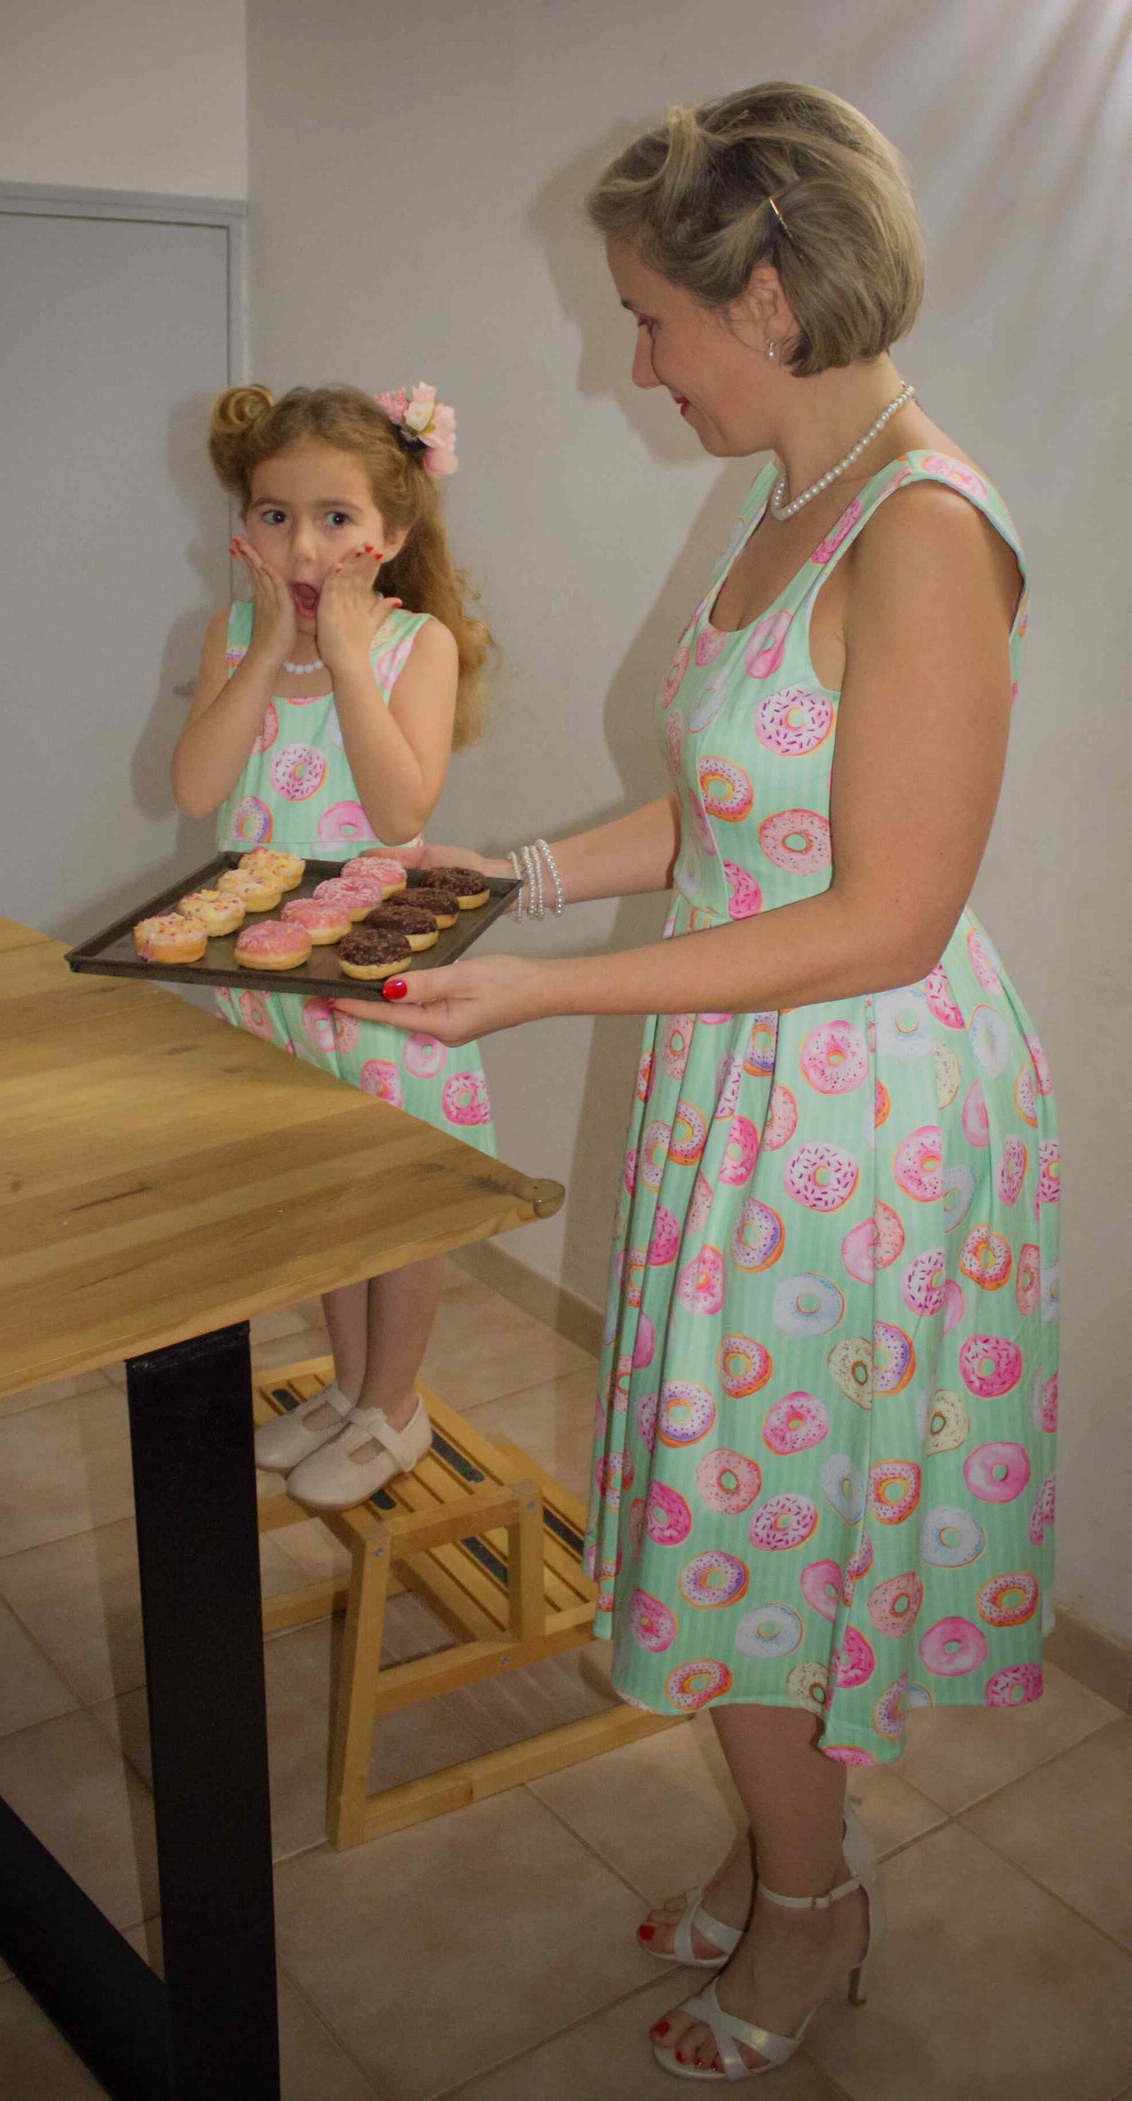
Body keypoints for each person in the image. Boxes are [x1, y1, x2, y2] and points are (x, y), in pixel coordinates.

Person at [356, 81, 1057, 2083]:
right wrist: (533, 870)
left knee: (756, 1533)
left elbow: (886, 915)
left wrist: (536, 992)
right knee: (732, 1513)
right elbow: (743, 804)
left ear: (766, 295)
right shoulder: (792, 494)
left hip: (853, 1108)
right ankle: (788, 1867)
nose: (636, 363)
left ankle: (814, 1912)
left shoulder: (923, 531)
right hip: (757, 1091)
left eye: (655, 321)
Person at [172, 380, 495, 1511]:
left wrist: (347, 657)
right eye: (273, 514)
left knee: (394, 1203)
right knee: (321, 1194)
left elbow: (400, 811)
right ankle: (351, 1385)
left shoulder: (418, 646)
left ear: (392, 535)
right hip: (268, 989)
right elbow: (196, 783)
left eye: (335, 518)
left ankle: (394, 1407)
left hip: (375, 989)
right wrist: (267, 649)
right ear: (243, 526)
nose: (302, 547)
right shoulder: (231, 636)